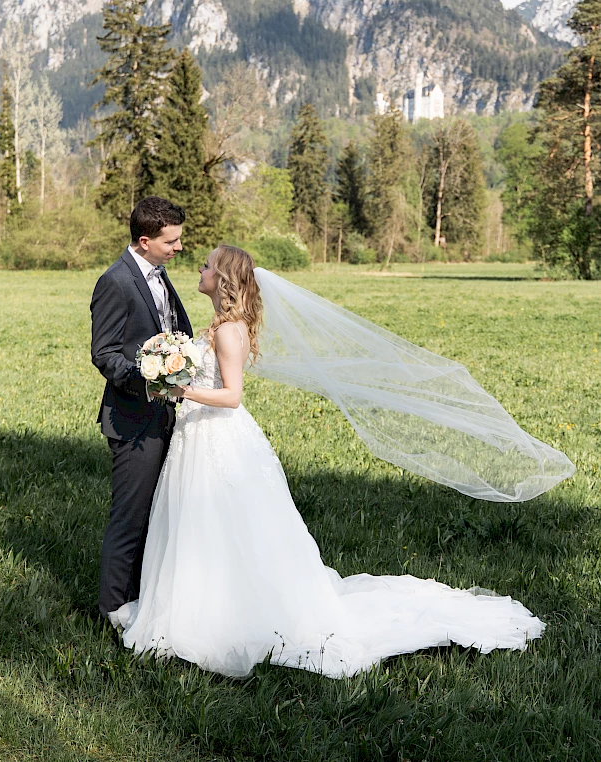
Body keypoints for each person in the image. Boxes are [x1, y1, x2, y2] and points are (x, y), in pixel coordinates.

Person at [109, 245, 545, 679]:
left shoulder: (226, 331)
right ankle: (198, 606)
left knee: (217, 521)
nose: (199, 269)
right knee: (206, 523)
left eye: (207, 265)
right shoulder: (225, 325)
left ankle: (216, 616)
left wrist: (177, 388)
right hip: (200, 435)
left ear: (222, 279)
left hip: (215, 434)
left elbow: (232, 396)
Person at [90, 196, 192, 620]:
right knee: (130, 519)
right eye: (172, 241)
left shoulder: (159, 273)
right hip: (133, 417)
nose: (179, 247)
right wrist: (151, 377)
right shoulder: (115, 281)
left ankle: (142, 601)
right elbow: (105, 353)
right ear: (145, 240)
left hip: (165, 416)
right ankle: (111, 611)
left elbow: (173, 329)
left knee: (156, 515)